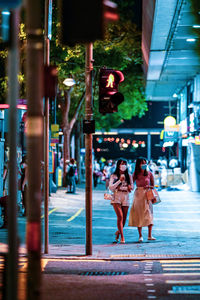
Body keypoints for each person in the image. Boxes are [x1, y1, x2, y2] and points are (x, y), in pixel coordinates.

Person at [129, 157, 155, 242]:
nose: (144, 164)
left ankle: (149, 235)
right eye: (142, 163)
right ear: (138, 164)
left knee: (149, 214)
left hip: (147, 194)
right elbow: (131, 184)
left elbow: (153, 185)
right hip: (138, 194)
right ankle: (140, 235)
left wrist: (149, 186)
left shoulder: (150, 173)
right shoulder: (135, 174)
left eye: (145, 163)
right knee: (139, 214)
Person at [109, 158, 133, 244]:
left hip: (126, 197)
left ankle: (118, 233)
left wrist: (124, 187)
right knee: (120, 217)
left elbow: (131, 188)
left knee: (124, 220)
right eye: (122, 164)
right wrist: (119, 181)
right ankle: (122, 237)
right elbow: (111, 187)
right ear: (118, 165)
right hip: (117, 197)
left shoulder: (129, 176)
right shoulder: (114, 175)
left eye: (125, 164)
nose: (123, 166)